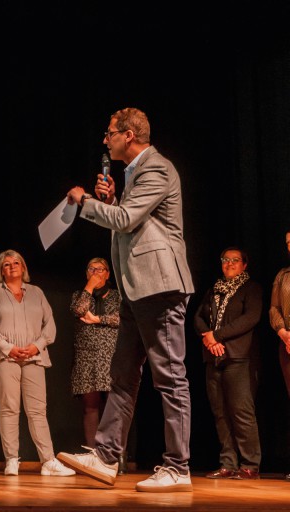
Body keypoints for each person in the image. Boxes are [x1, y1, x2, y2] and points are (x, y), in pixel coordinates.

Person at [60, 107, 195, 493]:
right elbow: (131, 219)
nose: (106, 140)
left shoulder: (155, 168)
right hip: (138, 288)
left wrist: (86, 202)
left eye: (110, 134)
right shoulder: (134, 172)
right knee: (121, 376)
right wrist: (115, 199)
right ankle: (105, 456)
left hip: (160, 286)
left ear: (129, 135)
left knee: (170, 377)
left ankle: (178, 466)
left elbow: (126, 221)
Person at [0, 249, 75, 478]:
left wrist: (37, 345)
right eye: (6, 264)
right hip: (4, 357)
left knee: (37, 410)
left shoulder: (37, 293)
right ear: (1, 270)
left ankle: (48, 461)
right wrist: (6, 347)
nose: (11, 267)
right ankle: (12, 460)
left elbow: (49, 325)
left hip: (34, 357)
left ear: (23, 267)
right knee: (10, 408)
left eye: (16, 263)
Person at [194, 247, 262, 480]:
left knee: (241, 412)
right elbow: (198, 317)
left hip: (238, 357)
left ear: (244, 264)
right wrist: (209, 338)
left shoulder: (251, 288)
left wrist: (218, 335)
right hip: (213, 356)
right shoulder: (215, 289)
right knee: (220, 412)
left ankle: (250, 465)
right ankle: (228, 463)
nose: (230, 264)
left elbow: (250, 318)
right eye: (225, 260)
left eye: (235, 260)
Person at [69, 258, 120, 451]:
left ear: (108, 274)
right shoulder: (79, 295)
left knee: (113, 408)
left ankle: (115, 453)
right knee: (90, 407)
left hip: (110, 357)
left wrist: (98, 319)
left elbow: (122, 318)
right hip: (86, 357)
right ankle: (93, 452)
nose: (96, 272)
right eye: (91, 269)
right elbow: (79, 310)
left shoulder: (117, 296)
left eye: (100, 269)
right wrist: (89, 286)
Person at [269, 229, 290, 482]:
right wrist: (282, 331)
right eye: (288, 243)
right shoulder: (283, 276)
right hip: (287, 345)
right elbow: (274, 307)